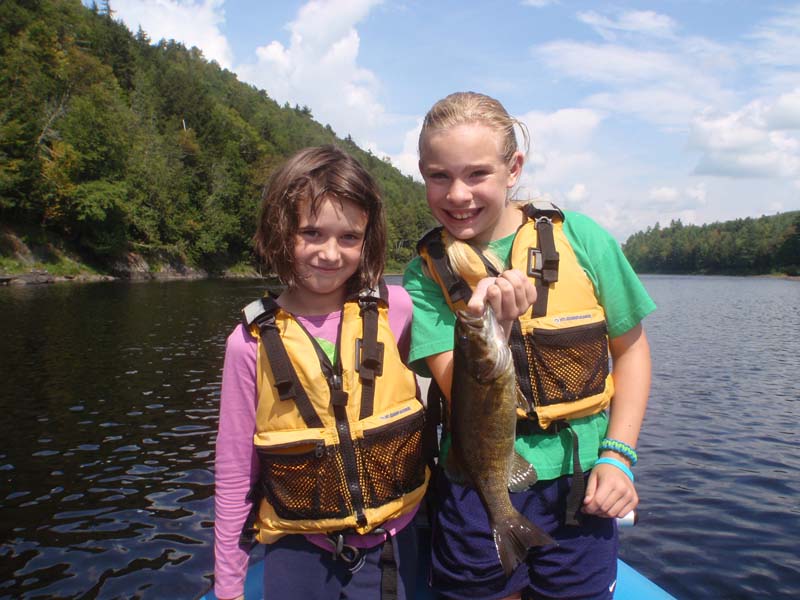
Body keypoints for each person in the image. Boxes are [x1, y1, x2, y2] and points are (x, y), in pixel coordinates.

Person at [403, 92, 656, 600]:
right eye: (439, 176)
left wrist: (618, 456)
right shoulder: (426, 274)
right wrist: (489, 325)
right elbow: (463, 388)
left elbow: (631, 352)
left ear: (512, 168)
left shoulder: (582, 238)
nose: (457, 194)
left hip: (579, 481)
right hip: (477, 482)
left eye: (477, 174)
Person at [214, 145, 429, 600]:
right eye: (311, 233)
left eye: (349, 237)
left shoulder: (400, 311)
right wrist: (229, 588)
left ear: (367, 239)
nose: (330, 254)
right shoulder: (247, 345)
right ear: (279, 231)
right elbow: (235, 474)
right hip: (299, 552)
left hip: (397, 542)